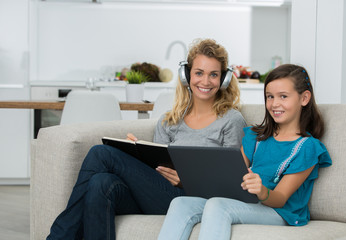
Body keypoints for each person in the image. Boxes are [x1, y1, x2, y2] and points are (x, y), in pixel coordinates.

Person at [46, 38, 247, 240]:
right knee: (101, 182)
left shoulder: (231, 120)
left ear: (224, 79)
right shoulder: (170, 120)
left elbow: (229, 184)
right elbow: (155, 172)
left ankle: (59, 236)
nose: (205, 81)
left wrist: (187, 179)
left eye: (214, 74)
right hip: (158, 194)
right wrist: (135, 154)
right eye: (199, 73)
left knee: (100, 154)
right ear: (186, 75)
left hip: (189, 201)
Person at [157, 64, 332, 240]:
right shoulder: (256, 136)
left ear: (304, 98)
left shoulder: (307, 147)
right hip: (249, 202)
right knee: (180, 203)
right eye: (270, 97)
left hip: (280, 212)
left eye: (283, 97)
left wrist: (262, 191)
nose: (274, 104)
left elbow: (280, 199)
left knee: (218, 206)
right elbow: (231, 178)